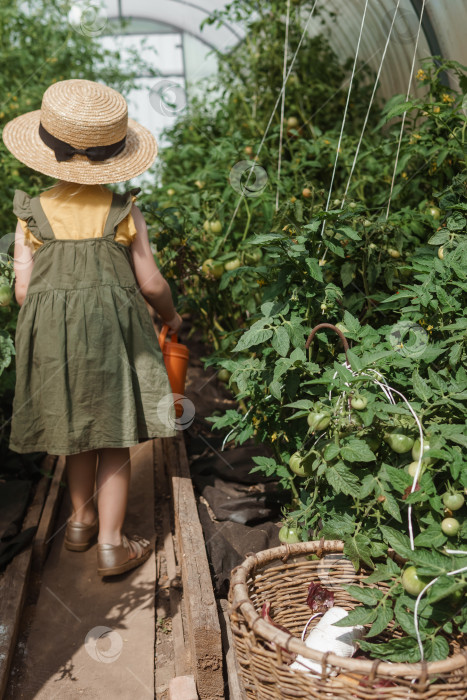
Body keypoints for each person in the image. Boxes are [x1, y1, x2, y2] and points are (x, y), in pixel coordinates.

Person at [2, 78, 182, 577]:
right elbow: (150, 284)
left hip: (55, 339)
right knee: (114, 436)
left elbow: (22, 292)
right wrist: (172, 317)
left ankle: (79, 523)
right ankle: (111, 543)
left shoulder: (30, 213)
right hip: (113, 335)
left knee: (75, 431)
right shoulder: (123, 210)